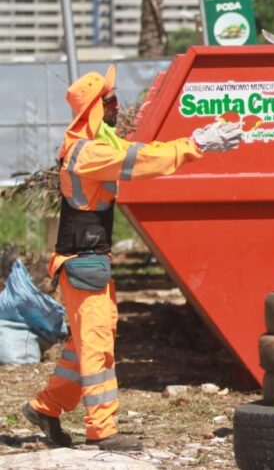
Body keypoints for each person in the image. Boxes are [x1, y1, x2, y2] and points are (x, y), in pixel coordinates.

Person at [22, 65, 242, 452]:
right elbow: (142, 162)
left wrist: (195, 143)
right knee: (95, 348)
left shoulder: (95, 145)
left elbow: (141, 152)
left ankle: (47, 407)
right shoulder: (87, 152)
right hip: (82, 263)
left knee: (84, 346)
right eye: (110, 100)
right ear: (94, 107)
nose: (116, 105)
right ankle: (102, 430)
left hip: (88, 263)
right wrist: (196, 144)